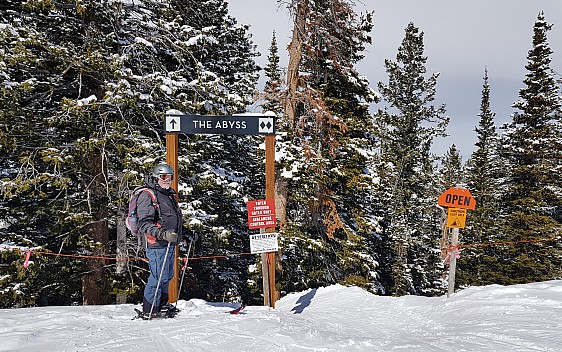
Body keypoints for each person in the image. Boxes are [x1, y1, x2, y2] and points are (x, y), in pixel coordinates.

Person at [137, 163, 183, 319]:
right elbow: (144, 223)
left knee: (167, 275)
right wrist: (162, 234)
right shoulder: (148, 195)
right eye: (163, 177)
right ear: (156, 177)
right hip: (156, 243)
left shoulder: (168, 194)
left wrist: (187, 233)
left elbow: (172, 219)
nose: (167, 180)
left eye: (170, 177)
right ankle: (149, 308)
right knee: (157, 276)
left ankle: (162, 304)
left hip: (169, 242)